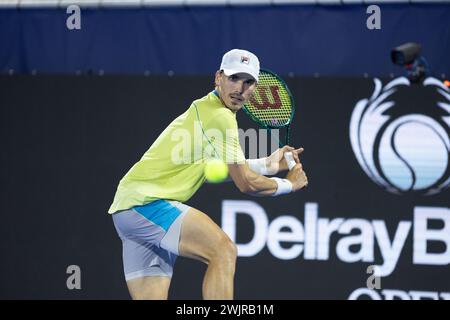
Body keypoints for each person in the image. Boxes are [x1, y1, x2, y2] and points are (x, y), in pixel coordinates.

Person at [108, 49, 308, 300]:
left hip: (127, 210)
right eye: (234, 79)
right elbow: (245, 183)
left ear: (255, 88)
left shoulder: (207, 110)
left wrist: (267, 165)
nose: (240, 89)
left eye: (248, 82)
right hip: (145, 205)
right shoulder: (221, 117)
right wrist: (288, 184)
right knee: (222, 250)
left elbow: (224, 169)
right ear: (218, 78)